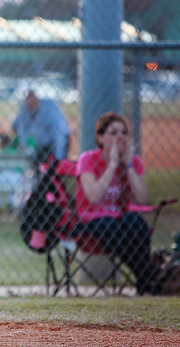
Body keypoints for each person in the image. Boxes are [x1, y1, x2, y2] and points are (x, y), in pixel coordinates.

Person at [75, 111, 157, 295]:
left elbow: (142, 199)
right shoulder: (87, 159)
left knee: (137, 223)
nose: (120, 136)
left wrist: (128, 166)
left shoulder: (133, 161)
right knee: (113, 228)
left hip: (119, 217)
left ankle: (145, 280)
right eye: (113, 133)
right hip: (91, 220)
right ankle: (147, 277)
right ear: (100, 138)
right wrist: (112, 165)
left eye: (123, 132)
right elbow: (94, 197)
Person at [12, 90, 70, 163]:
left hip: (58, 141)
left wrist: (59, 158)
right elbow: (22, 129)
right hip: (41, 144)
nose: (30, 107)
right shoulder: (24, 109)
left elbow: (59, 134)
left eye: (32, 103)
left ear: (37, 100)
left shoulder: (49, 109)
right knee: (39, 164)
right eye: (28, 104)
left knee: (56, 165)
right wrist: (24, 145)